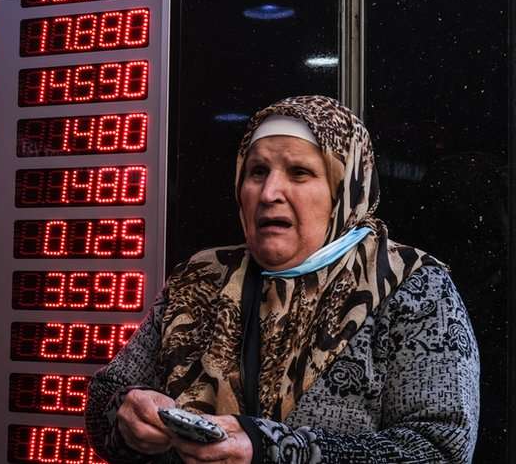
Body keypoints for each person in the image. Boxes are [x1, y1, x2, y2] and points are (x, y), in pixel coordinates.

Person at [84, 95, 480, 464]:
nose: (270, 191)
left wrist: (271, 448)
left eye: (299, 172)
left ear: (345, 188)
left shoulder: (412, 286)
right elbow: (106, 395)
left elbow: (439, 448)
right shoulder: (200, 278)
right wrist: (125, 411)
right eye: (257, 171)